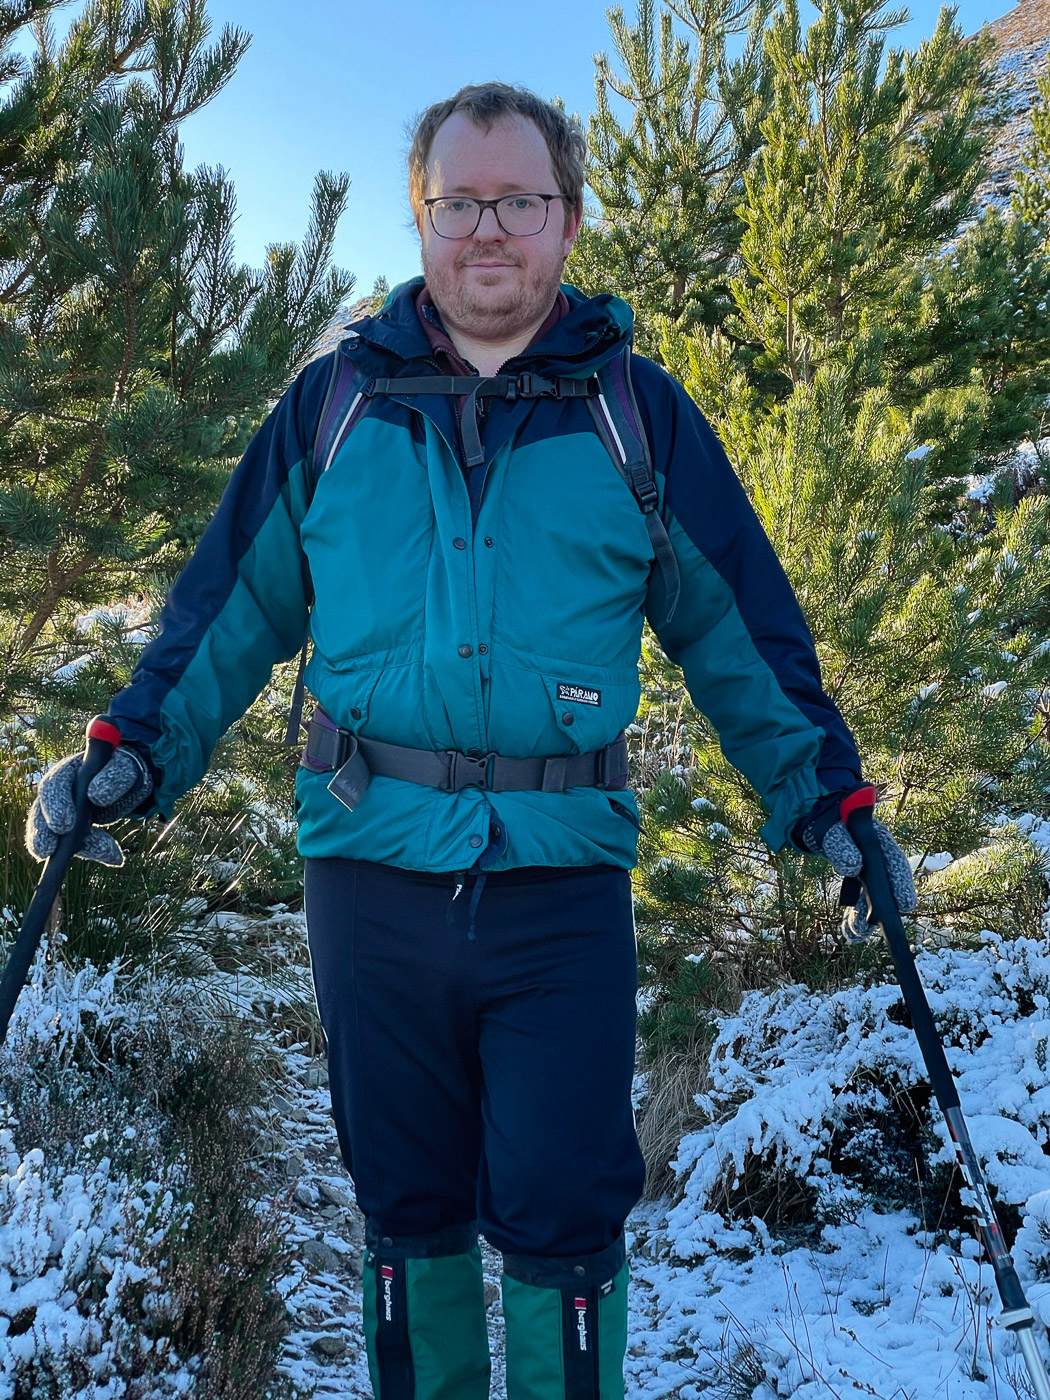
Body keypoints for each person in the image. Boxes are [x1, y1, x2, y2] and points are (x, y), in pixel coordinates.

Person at [27, 83, 916, 1400]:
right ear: (422, 219)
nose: (487, 228)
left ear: (567, 220)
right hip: (368, 873)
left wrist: (830, 803)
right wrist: (132, 753)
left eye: (518, 201)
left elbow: (740, 637)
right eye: (459, 203)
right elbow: (227, 613)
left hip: (560, 885)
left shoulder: (635, 416)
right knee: (407, 1203)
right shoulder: (334, 408)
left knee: (564, 1209)